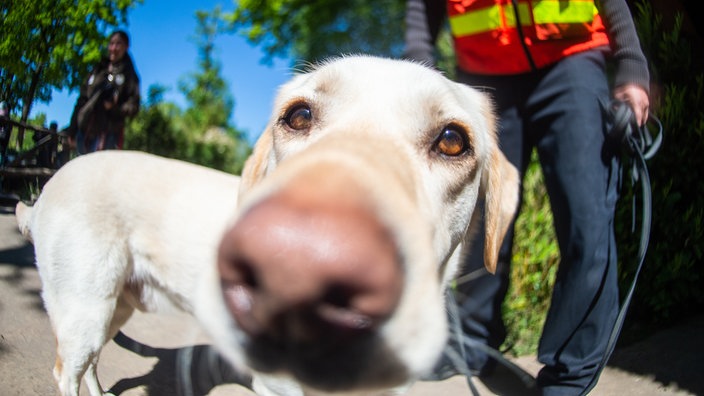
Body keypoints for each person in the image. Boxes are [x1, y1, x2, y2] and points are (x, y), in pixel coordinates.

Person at [404, 0, 650, 394]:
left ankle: (570, 373)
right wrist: (421, 70)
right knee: (481, 217)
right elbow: (423, 8)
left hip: (571, 60)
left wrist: (631, 63)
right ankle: (470, 343)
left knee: (586, 216)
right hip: (485, 75)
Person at [68, 30, 140, 154]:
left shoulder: (130, 75)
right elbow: (82, 98)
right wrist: (72, 129)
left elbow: (134, 106)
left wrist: (114, 107)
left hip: (110, 133)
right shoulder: (98, 69)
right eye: (111, 43)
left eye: (118, 44)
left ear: (126, 47)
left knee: (101, 171)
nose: (114, 48)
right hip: (85, 129)